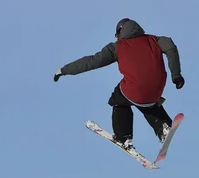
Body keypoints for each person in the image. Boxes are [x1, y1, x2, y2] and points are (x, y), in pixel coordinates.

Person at [54, 18, 185, 150]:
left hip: (136, 90)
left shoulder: (117, 47)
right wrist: (176, 75)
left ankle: (124, 137)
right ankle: (163, 127)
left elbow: (91, 61)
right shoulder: (154, 40)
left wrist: (63, 70)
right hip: (157, 89)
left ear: (120, 33)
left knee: (118, 99)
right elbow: (170, 46)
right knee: (147, 102)